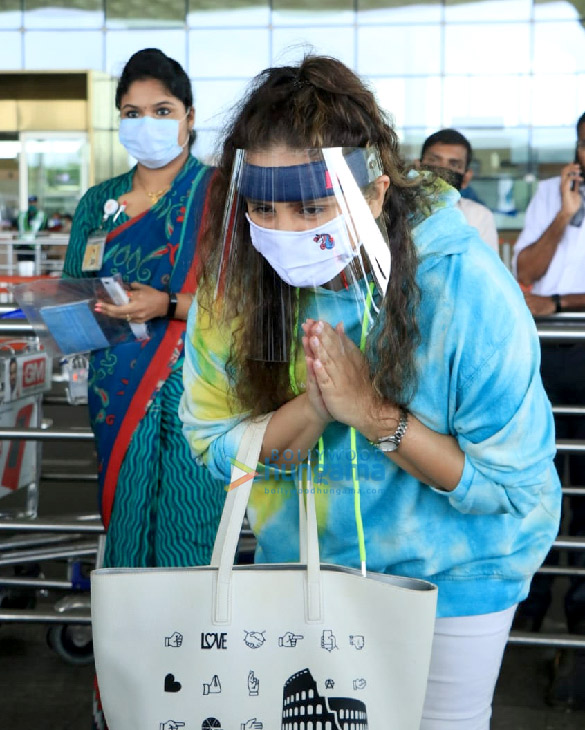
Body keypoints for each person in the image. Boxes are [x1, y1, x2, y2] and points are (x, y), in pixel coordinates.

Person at [180, 56, 561, 729]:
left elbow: (507, 485)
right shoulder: (235, 286)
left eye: (312, 206)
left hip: (457, 578)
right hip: (300, 570)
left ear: (374, 193)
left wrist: (371, 413)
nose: (285, 231)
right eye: (263, 208)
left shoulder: (465, 287)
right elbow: (214, 442)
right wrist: (316, 405)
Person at [63, 48, 226, 728]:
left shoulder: (219, 194)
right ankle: (123, 700)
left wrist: (168, 304)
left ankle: (192, 700)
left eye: (162, 111)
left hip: (197, 397)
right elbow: (74, 300)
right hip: (117, 395)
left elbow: (241, 300)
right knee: (124, 538)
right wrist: (83, 314)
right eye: (133, 113)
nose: (148, 124)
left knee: (189, 536)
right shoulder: (97, 204)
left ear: (188, 118)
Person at [512, 115, 585, 646]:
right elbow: (528, 271)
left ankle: (579, 610)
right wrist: (565, 215)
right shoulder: (548, 194)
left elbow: (545, 293)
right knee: (535, 476)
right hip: (542, 352)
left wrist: (560, 304)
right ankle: (530, 602)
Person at [419, 129, 500, 253]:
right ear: (417, 167)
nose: (442, 170)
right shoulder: (397, 211)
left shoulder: (479, 216)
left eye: (454, 165)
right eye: (434, 161)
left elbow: (484, 269)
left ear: (466, 178)